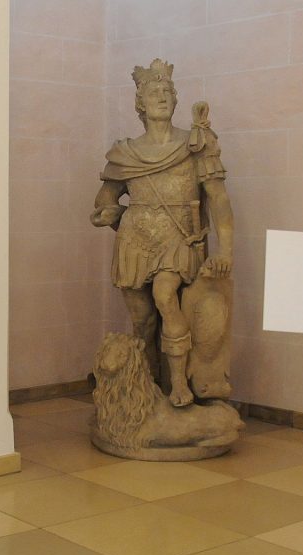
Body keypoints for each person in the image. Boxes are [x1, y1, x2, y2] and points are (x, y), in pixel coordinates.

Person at [91, 59, 235, 407]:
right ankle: (148, 388)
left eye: (168, 91)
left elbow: (218, 200)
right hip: (135, 240)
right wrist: (110, 214)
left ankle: (179, 388)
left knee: (166, 296)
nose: (163, 96)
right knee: (142, 321)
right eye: (154, 92)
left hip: (177, 237)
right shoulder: (125, 152)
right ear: (140, 103)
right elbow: (105, 199)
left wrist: (225, 251)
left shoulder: (196, 144)